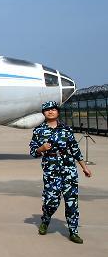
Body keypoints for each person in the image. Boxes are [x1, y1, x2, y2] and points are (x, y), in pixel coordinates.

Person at [30, 100, 93, 243]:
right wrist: (41, 149)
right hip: (51, 170)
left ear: (58, 112)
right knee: (51, 201)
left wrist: (84, 167)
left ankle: (73, 231)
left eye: (53, 109)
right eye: (47, 110)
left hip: (68, 168)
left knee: (71, 202)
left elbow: (75, 150)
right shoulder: (39, 131)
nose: (50, 111)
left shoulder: (66, 129)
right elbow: (33, 152)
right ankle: (45, 220)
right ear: (44, 113)